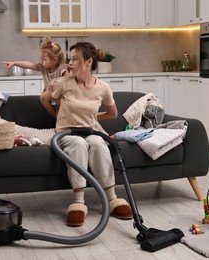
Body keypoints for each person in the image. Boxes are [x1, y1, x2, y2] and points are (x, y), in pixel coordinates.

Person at [40, 42, 133, 227]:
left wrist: (92, 117)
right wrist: (57, 115)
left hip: (90, 130)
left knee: (98, 144)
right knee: (78, 144)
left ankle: (112, 198)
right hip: (66, 133)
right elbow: (44, 99)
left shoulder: (103, 87)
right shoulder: (64, 83)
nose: (70, 63)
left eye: (75, 59)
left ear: (89, 61)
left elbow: (113, 113)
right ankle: (78, 201)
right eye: (70, 58)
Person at [2, 37, 69, 92]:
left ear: (54, 60)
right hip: (49, 98)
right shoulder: (44, 68)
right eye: (40, 59)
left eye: (43, 59)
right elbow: (29, 65)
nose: (40, 61)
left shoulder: (62, 69)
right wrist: (14, 63)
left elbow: (69, 79)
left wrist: (55, 80)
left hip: (60, 98)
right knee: (43, 99)